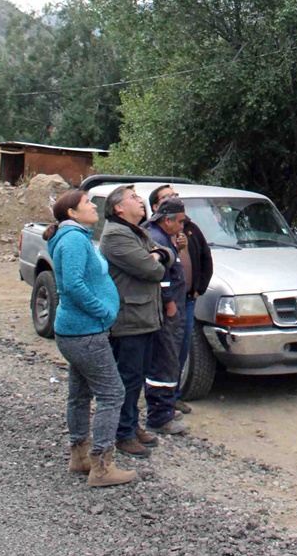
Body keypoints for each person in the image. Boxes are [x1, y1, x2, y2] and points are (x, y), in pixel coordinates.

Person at [44, 190, 137, 487]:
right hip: (85, 331)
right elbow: (71, 285)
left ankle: (80, 455)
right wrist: (103, 312)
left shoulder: (76, 237)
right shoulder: (72, 240)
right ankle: (101, 466)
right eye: (86, 203)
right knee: (113, 394)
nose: (93, 206)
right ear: (71, 213)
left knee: (80, 393)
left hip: (76, 331)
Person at [99, 185, 175, 457]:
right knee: (128, 378)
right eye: (133, 198)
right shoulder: (116, 235)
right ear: (119, 208)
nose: (140, 202)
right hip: (129, 319)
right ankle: (123, 432)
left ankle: (131, 423)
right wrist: (157, 257)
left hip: (144, 317)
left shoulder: (137, 230)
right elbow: (152, 269)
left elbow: (168, 253)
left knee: (138, 375)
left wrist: (158, 255)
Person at [148, 185, 213, 414]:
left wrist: (198, 288)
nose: (175, 198)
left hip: (186, 299)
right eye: (168, 197)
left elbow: (205, 258)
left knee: (181, 349)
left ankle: (172, 397)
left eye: (176, 195)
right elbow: (161, 273)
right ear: (158, 209)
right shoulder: (152, 235)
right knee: (166, 351)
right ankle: (160, 404)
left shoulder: (191, 229)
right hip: (167, 303)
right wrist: (168, 300)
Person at [142, 197, 189, 434]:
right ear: (167, 219)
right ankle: (160, 417)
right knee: (165, 360)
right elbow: (160, 276)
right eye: (179, 222)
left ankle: (166, 408)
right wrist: (169, 302)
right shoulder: (157, 239)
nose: (181, 227)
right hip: (167, 312)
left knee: (167, 359)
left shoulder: (165, 238)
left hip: (173, 309)